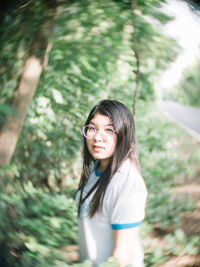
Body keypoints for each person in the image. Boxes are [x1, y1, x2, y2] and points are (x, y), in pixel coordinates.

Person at [76, 99, 147, 267]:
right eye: (92, 128)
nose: (97, 137)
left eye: (109, 130)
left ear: (124, 134)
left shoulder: (127, 183)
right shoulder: (96, 168)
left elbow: (120, 256)